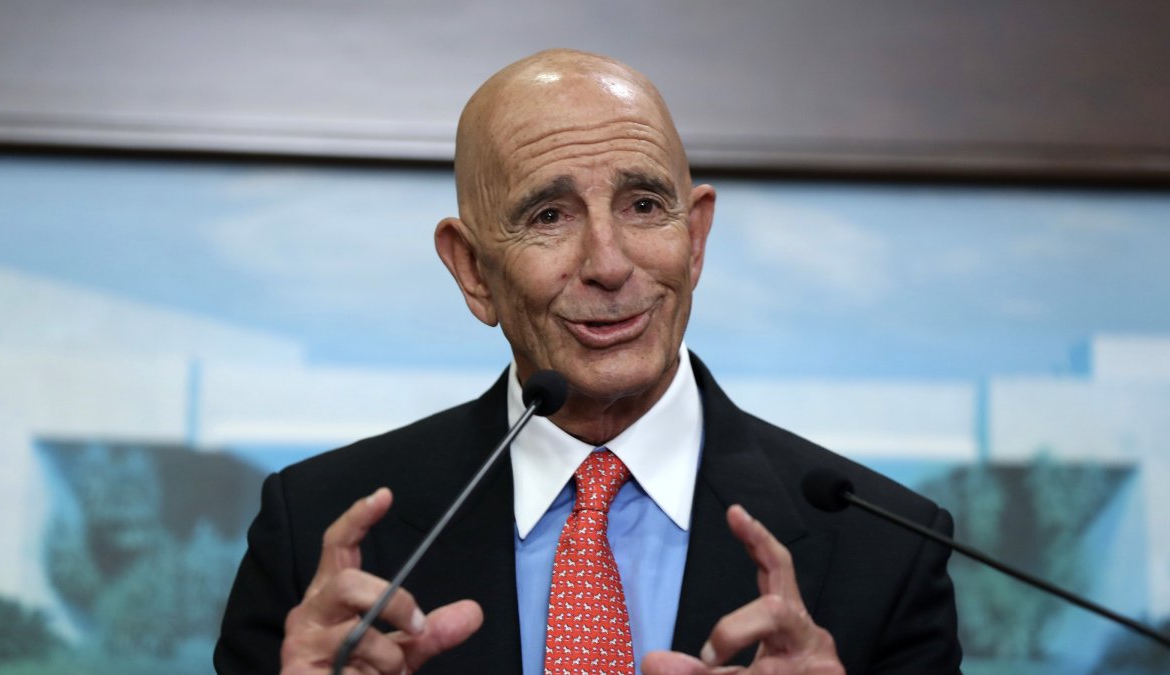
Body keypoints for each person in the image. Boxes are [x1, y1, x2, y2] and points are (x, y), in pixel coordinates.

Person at [215, 49, 961, 675]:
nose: (608, 263)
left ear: (694, 239)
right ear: (473, 270)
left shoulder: (887, 549)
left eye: (642, 206)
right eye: (549, 215)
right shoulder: (313, 537)